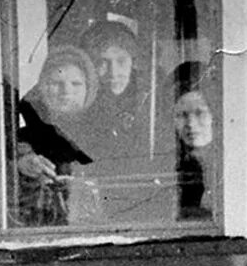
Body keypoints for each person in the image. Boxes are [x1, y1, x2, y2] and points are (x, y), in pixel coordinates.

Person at [14, 44, 98, 226]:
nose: (66, 90)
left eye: (76, 83)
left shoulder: (106, 134)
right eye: (56, 83)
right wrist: (22, 167)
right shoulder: (20, 139)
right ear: (43, 87)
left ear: (89, 89)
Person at [79, 19, 149, 162]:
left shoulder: (153, 97)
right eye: (102, 62)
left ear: (133, 61)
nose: (113, 72)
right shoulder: (76, 96)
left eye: (121, 61)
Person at [167, 61, 217, 220]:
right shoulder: (170, 164)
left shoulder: (228, 162)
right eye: (182, 115)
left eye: (199, 113)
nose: (190, 124)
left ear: (214, 115)